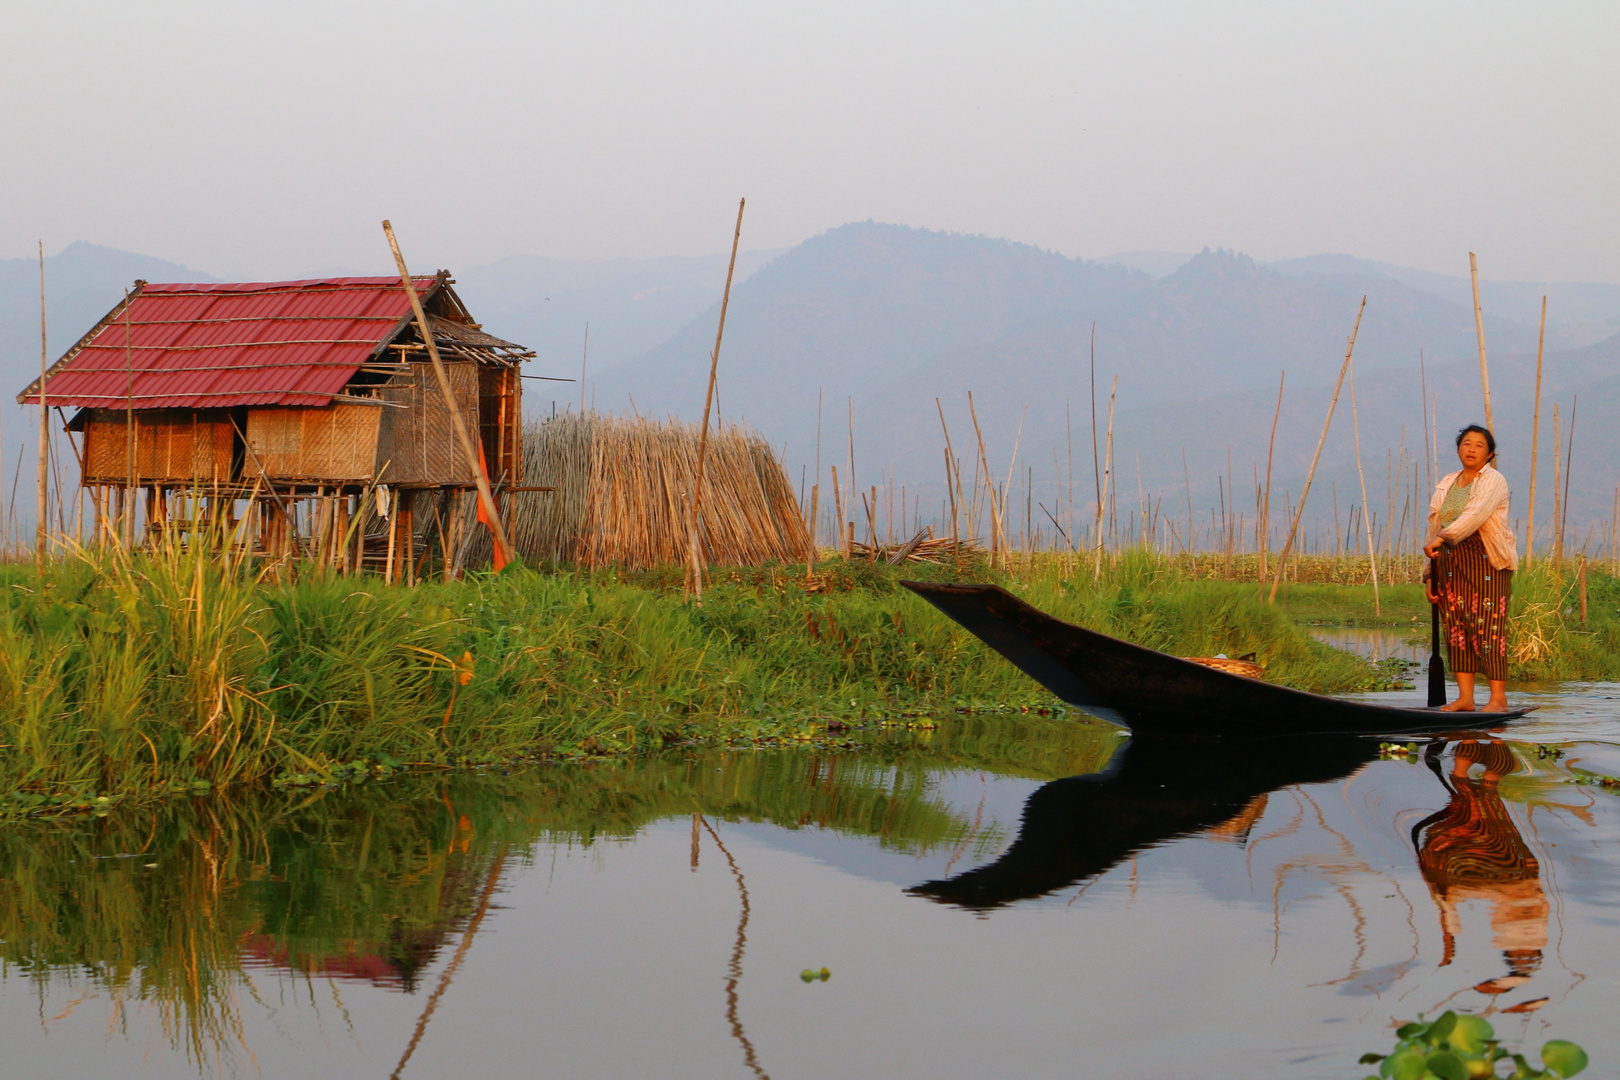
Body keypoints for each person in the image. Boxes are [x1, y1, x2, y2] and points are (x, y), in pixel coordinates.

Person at [1424, 425, 1517, 712]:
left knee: (1488, 630)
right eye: (1466, 443)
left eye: (1479, 445)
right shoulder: (1447, 482)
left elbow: (1474, 516)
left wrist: (1442, 538)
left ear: (1489, 454)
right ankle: (1465, 699)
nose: (1472, 449)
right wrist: (1430, 575)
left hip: (1486, 562)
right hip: (1450, 565)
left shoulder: (1493, 480)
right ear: (1458, 449)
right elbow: (1433, 527)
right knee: (1457, 630)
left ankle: (1498, 699)